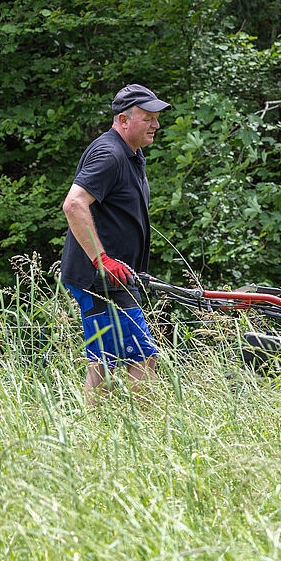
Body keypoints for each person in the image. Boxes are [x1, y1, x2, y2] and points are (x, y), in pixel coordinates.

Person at [60, 84, 170, 400]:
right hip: (101, 279)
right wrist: (101, 259)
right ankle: (143, 433)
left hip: (117, 278)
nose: (156, 125)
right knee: (142, 357)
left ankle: (96, 435)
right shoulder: (109, 154)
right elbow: (74, 204)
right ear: (123, 120)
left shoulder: (131, 154)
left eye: (157, 118)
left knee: (103, 362)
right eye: (148, 118)